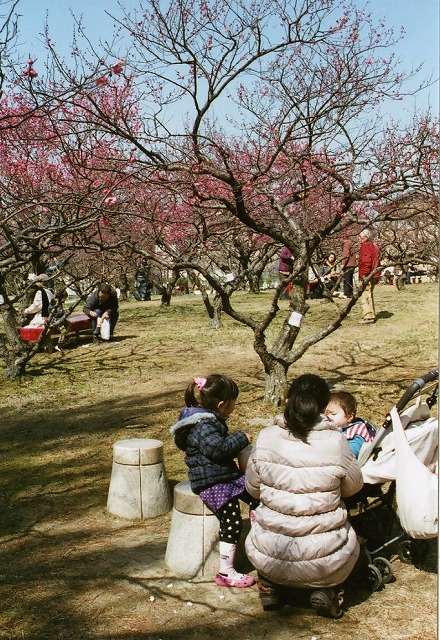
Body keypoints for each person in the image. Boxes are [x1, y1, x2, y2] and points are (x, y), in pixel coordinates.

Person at [245, 374, 364, 618]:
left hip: (271, 554)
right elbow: (354, 487)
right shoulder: (336, 440)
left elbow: (253, 488)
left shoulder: (266, 436)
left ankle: (270, 585)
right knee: (348, 537)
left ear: (289, 400)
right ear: (323, 407)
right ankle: (328, 589)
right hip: (324, 560)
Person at [169, 374, 258, 588]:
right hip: (211, 481)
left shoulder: (207, 420)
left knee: (257, 495)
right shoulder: (204, 425)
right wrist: (241, 438)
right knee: (232, 520)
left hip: (224, 475)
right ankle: (226, 571)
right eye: (234, 402)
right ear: (222, 405)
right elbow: (218, 450)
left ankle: (260, 534)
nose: (235, 406)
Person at [325, 390, 377, 459]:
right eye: (326, 414)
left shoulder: (356, 432)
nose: (329, 417)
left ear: (350, 417)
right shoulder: (340, 426)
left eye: (333, 414)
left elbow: (352, 453)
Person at [358, 229, 380, 324]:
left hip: (368, 274)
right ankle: (371, 315)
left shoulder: (366, 245)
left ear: (365, 237)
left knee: (366, 295)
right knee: (369, 294)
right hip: (374, 274)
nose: (359, 239)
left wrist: (364, 274)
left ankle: (369, 317)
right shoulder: (374, 246)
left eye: (360, 237)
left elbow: (366, 260)